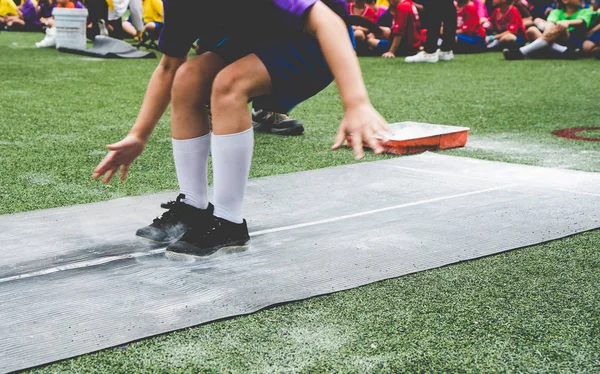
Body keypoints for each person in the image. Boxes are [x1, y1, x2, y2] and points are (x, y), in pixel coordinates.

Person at [93, 0, 390, 256]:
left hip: (318, 39)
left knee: (228, 83)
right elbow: (170, 66)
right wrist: (138, 135)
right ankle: (193, 208)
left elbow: (327, 21)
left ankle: (229, 222)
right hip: (255, 37)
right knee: (188, 78)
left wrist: (356, 102)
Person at [503, 0, 593, 59]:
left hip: (571, 40)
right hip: (554, 39)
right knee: (532, 30)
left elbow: (581, 21)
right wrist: (549, 28)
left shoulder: (586, 11)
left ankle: (521, 52)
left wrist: (566, 22)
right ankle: (564, 51)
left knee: (559, 26)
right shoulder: (556, 12)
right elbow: (549, 24)